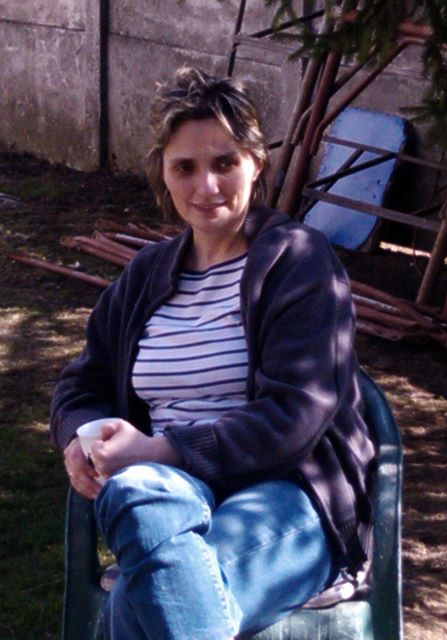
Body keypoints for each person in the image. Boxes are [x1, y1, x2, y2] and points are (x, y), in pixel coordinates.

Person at [50, 67, 376, 640]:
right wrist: (77, 436)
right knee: (134, 494)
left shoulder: (298, 260)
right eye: (186, 168)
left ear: (256, 164)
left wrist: (163, 449)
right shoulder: (145, 275)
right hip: (169, 497)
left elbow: (296, 414)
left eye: (224, 163)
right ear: (163, 174)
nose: (207, 187)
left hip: (290, 495)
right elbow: (82, 385)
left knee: (145, 594)